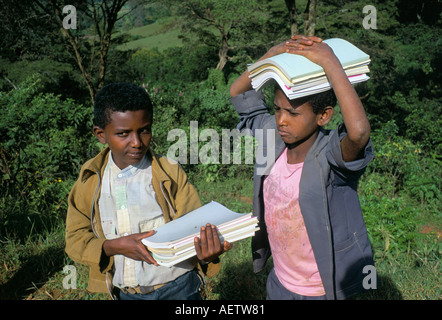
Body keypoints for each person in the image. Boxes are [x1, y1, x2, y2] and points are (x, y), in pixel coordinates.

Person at [230, 35, 375, 300]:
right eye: (277, 110)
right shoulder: (272, 136)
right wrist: (272, 56)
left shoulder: (331, 155)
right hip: (280, 283)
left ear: (324, 115)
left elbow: (358, 134)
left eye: (293, 113)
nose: (282, 121)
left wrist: (330, 62)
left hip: (322, 289)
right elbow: (239, 93)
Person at [65, 82, 231, 300]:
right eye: (123, 134)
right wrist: (111, 247)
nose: (136, 142)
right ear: (101, 134)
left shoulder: (169, 173)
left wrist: (207, 252)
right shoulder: (90, 180)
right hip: (126, 294)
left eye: (144, 130)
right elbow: (75, 239)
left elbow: (195, 227)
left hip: (179, 288)